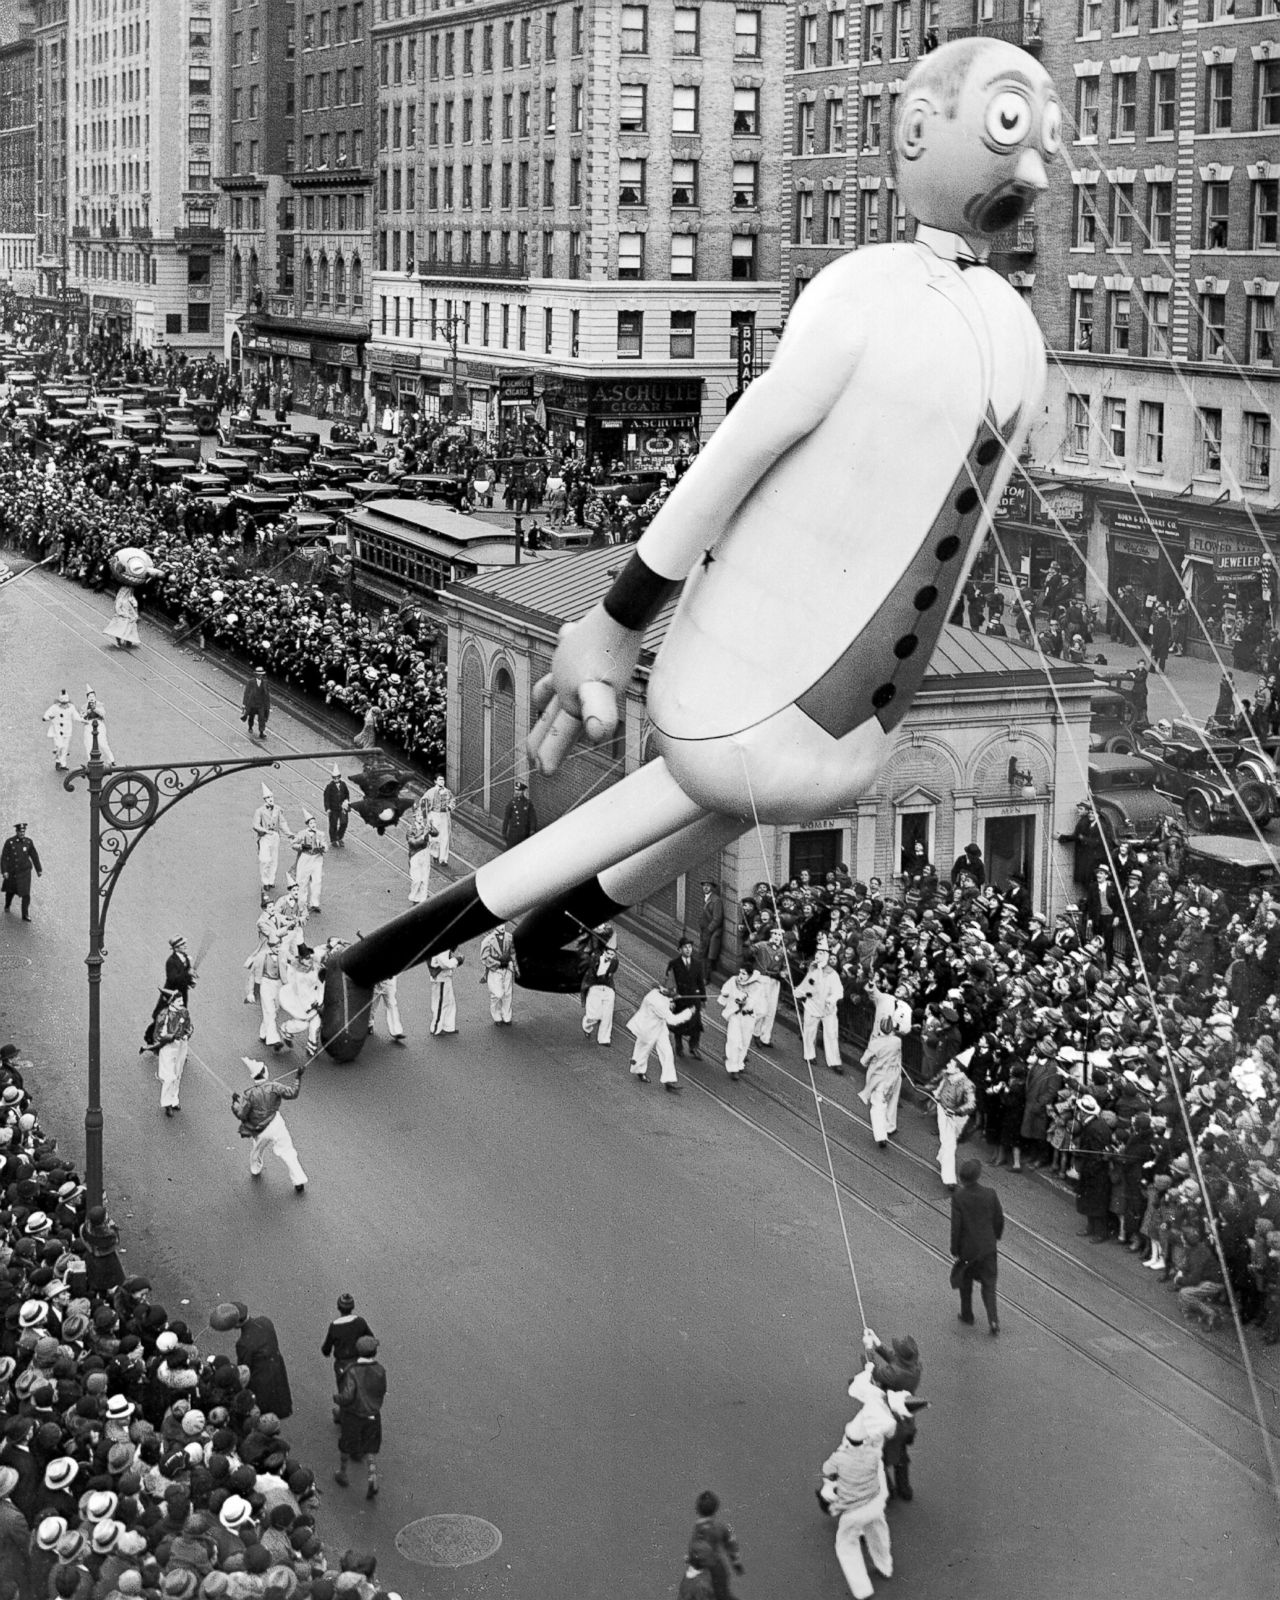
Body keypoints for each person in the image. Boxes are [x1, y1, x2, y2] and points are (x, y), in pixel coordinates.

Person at [232, 1057, 309, 1194]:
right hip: (276, 1124)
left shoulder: (249, 1094)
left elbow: (242, 1113)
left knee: (257, 1149)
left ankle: (255, 1168)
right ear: (264, 1072)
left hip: (260, 1130)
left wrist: (236, 1103)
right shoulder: (274, 1086)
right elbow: (293, 1093)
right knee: (288, 1151)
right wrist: (298, 1077)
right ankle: (298, 1180)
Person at [951, 1156, 1004, 1334]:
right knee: (989, 1285)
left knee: (965, 1282)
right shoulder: (990, 1194)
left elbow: (956, 1226)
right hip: (988, 1248)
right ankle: (993, 1321)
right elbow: (998, 1219)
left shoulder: (959, 1197)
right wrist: (994, 1237)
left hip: (968, 1250)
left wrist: (955, 1248)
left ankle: (967, 1314)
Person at [223, 1299, 295, 1419]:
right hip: (276, 1367)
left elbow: (245, 1368)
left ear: (236, 1324)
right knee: (278, 1396)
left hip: (260, 1377)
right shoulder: (265, 1321)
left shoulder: (243, 1343)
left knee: (262, 1405)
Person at [335, 1335, 386, 1500]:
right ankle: (372, 1477)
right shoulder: (380, 1370)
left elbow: (348, 1395)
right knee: (370, 1447)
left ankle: (343, 1473)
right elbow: (381, 1391)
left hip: (354, 1415)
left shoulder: (352, 1371)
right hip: (372, 1414)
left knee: (346, 1444)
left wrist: (338, 1399)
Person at [626, 984, 694, 1091]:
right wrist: (689, 1012)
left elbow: (666, 1000)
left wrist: (671, 1000)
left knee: (667, 1053)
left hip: (660, 1028)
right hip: (648, 1029)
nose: (675, 992)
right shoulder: (657, 1003)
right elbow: (672, 1020)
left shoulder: (657, 993)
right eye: (673, 991)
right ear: (667, 991)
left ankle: (668, 1081)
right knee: (642, 1051)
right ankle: (639, 1071)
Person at [927, 1056, 977, 1189]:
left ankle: (949, 1179)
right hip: (941, 1110)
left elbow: (971, 1104)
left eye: (951, 1063)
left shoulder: (967, 1084)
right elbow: (936, 1086)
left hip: (956, 1117)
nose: (948, 1064)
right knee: (946, 1140)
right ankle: (942, 1158)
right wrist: (926, 1089)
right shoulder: (946, 1075)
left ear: (958, 1068)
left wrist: (956, 1111)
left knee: (950, 1144)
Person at [796, 941, 845, 1075]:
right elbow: (806, 985)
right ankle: (809, 1055)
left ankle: (835, 1061)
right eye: (817, 953)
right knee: (809, 1030)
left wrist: (831, 1000)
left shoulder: (833, 974)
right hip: (812, 1006)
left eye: (822, 953)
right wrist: (799, 992)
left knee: (831, 1034)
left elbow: (838, 992)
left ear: (827, 956)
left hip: (828, 1009)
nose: (818, 955)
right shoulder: (812, 970)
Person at [688, 1490, 744, 1600]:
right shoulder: (719, 1527)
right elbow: (731, 1544)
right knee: (722, 1595)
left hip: (703, 1571)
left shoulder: (698, 1529)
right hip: (717, 1569)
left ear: (698, 1509)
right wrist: (736, 1562)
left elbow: (695, 1548)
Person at [321, 1292, 374, 1407]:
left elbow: (326, 1349)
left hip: (343, 1364)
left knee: (344, 1389)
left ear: (339, 1308)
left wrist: (326, 1351)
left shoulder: (334, 1326)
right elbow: (371, 1339)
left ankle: (344, 1413)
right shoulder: (360, 1322)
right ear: (352, 1307)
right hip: (360, 1361)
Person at [858, 1016, 903, 1149]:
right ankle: (890, 1126)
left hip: (880, 1079)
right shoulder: (897, 1041)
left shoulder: (875, 1043)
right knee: (892, 1101)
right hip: (895, 1076)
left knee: (878, 1106)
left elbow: (863, 1061)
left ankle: (881, 1136)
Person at [718, 963, 764, 1080]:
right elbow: (725, 990)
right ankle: (733, 1067)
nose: (740, 976)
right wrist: (725, 994)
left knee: (744, 1042)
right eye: (740, 973)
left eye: (743, 974)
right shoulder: (733, 981)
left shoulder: (757, 986)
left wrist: (746, 1003)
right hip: (735, 1015)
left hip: (748, 1017)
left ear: (749, 975)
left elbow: (756, 1002)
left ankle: (739, 1063)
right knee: (733, 1040)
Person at [153, 990, 193, 1119]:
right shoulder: (164, 1015)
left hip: (181, 1045)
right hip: (168, 1047)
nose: (181, 1003)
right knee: (169, 1077)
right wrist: (171, 1037)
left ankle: (174, 1099)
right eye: (178, 1001)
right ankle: (166, 1103)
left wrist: (187, 1034)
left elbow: (189, 1026)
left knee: (177, 1075)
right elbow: (158, 1035)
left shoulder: (184, 1012)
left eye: (181, 1001)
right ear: (172, 1002)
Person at [665, 937, 707, 1060]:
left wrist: (703, 1000)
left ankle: (694, 1047)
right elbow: (669, 982)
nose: (688, 950)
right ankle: (679, 1045)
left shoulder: (697, 964)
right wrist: (671, 998)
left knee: (696, 1025)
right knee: (680, 1024)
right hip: (680, 999)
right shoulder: (674, 964)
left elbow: (700, 982)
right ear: (680, 949)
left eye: (690, 947)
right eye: (685, 947)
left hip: (694, 999)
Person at [751, 924, 789, 1047]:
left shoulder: (783, 951)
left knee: (771, 1010)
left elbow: (786, 967)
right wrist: (751, 945)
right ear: (771, 935)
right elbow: (751, 950)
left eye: (780, 935)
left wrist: (784, 973)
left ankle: (765, 1037)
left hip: (774, 981)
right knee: (761, 1008)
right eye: (775, 934)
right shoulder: (762, 945)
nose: (777, 937)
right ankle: (755, 1032)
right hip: (762, 979)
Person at [252, 788, 290, 909]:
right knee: (265, 859)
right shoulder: (259, 811)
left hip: (275, 836)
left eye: (271, 798)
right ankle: (264, 880)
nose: (270, 800)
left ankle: (271, 880)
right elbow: (255, 825)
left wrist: (289, 833)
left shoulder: (278, 809)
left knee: (274, 859)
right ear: (264, 800)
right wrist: (264, 831)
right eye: (268, 798)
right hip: (265, 836)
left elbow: (282, 823)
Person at [581, 926, 619, 1047]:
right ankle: (587, 1026)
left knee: (607, 1015)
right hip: (594, 986)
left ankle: (604, 1038)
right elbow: (595, 973)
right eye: (608, 953)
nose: (610, 956)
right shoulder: (594, 957)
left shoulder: (615, 962)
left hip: (607, 988)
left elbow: (609, 973)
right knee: (594, 1016)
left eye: (612, 954)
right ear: (605, 951)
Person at [479, 923, 518, 1024]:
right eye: (499, 925)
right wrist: (499, 963)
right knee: (497, 994)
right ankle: (496, 1015)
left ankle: (506, 1016)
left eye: (503, 925)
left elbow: (513, 953)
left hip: (507, 969)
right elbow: (485, 957)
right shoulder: (487, 940)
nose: (502, 927)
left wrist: (514, 966)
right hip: (495, 970)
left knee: (507, 993)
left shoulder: (510, 937)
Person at [1, 823, 41, 921]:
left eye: (23, 832)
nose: (22, 833)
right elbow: (4, 858)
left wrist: (38, 869)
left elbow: (34, 856)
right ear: (17, 832)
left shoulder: (28, 842)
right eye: (20, 832)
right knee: (10, 891)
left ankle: (25, 914)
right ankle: (7, 905)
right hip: (13, 872)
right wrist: (4, 871)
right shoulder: (10, 842)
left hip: (25, 873)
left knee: (26, 894)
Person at [291, 813, 327, 915]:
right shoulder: (302, 833)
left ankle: (314, 904)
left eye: (314, 822)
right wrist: (302, 846)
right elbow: (293, 844)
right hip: (305, 858)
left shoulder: (320, 834)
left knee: (317, 881)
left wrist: (322, 848)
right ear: (307, 824)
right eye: (311, 823)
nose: (313, 824)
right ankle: (301, 903)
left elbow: (325, 846)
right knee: (302, 881)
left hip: (317, 858)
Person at [41, 689, 81, 772]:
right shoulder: (55, 708)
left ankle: (63, 764)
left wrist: (83, 720)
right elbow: (47, 715)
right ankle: (57, 761)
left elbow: (76, 716)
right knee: (60, 746)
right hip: (57, 730)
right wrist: (47, 718)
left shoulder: (71, 708)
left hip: (67, 730)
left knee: (65, 747)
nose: (64, 705)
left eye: (65, 703)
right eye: (62, 703)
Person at [405, 796, 435, 905]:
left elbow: (435, 833)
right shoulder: (411, 829)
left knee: (424, 878)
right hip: (415, 855)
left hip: (425, 853)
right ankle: (414, 897)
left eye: (422, 816)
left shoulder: (425, 826)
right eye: (418, 816)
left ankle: (423, 898)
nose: (421, 818)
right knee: (416, 879)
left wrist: (431, 826)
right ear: (415, 818)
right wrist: (424, 835)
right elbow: (413, 843)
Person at [429, 949, 462, 1034]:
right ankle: (436, 1028)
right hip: (441, 977)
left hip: (444, 976)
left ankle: (448, 1027)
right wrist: (457, 960)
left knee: (449, 1002)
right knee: (441, 1004)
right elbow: (444, 964)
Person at [423, 773, 455, 864]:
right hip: (434, 815)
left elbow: (453, 801)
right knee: (435, 837)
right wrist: (426, 815)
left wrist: (449, 807)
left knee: (445, 837)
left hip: (444, 815)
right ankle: (435, 854)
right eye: (440, 780)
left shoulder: (448, 792)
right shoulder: (430, 792)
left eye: (443, 780)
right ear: (435, 781)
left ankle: (443, 859)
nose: (442, 781)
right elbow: (424, 802)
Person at [80, 685, 115, 766]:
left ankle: (111, 759)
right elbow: (81, 718)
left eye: (93, 696)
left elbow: (103, 714)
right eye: (89, 696)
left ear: (95, 697)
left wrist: (95, 708)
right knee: (88, 743)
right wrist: (87, 712)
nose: (91, 698)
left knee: (102, 742)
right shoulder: (84, 707)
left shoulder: (99, 704)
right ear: (87, 698)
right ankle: (90, 761)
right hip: (89, 724)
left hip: (99, 723)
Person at [501, 780, 537, 849]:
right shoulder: (512, 803)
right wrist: (504, 832)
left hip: (524, 834)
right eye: (516, 790)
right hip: (513, 834)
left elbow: (533, 818)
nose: (517, 792)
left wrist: (532, 829)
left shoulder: (527, 803)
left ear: (523, 791)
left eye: (519, 791)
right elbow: (506, 818)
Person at [102, 584, 140, 649]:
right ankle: (119, 642)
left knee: (130, 630)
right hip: (122, 617)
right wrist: (124, 614)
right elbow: (118, 609)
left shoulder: (132, 599)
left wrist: (135, 614)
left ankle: (128, 642)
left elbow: (135, 608)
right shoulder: (120, 600)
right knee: (119, 630)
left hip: (130, 618)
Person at [370, 977, 406, 1044]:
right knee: (372, 1006)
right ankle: (369, 1024)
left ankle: (396, 1031)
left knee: (392, 1005)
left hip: (389, 982)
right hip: (375, 982)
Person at [698, 880, 725, 972]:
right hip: (704, 929)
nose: (705, 887)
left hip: (710, 930)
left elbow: (717, 918)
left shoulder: (716, 900)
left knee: (705, 953)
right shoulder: (704, 898)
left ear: (712, 888)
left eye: (708, 886)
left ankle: (705, 977)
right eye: (704, 885)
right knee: (703, 952)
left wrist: (709, 929)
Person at [323, 766, 351, 848]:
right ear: (332, 778)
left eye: (337, 777)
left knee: (344, 823)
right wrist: (327, 808)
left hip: (342, 808)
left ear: (339, 777)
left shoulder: (343, 785)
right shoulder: (329, 787)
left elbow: (347, 794)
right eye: (334, 778)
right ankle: (333, 840)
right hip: (333, 809)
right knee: (333, 824)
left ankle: (339, 837)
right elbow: (326, 798)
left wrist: (346, 802)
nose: (336, 779)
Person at [164, 935, 197, 1003]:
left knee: (183, 1011)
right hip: (172, 994)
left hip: (183, 992)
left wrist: (191, 981)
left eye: (185, 943)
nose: (185, 945)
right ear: (176, 948)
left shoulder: (186, 958)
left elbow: (186, 972)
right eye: (182, 944)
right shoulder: (171, 961)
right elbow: (173, 979)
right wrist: (188, 974)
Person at [242, 667, 271, 739]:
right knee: (251, 716)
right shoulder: (251, 682)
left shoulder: (265, 682)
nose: (260, 676)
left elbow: (267, 695)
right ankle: (250, 727)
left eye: (261, 675)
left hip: (261, 704)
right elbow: (246, 693)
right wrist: (244, 703)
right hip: (252, 704)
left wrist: (268, 706)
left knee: (262, 718)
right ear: (256, 675)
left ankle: (261, 732)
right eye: (258, 674)